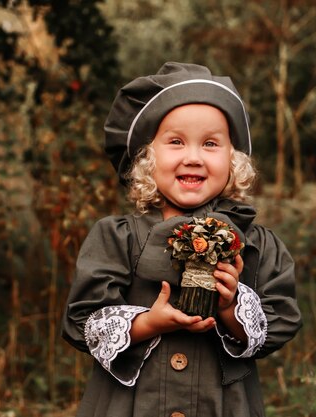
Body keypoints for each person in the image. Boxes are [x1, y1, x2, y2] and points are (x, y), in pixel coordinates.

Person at [61, 62, 302, 417]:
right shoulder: (117, 237)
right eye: (175, 142)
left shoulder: (256, 243)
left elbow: (279, 320)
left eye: (210, 143)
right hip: (128, 406)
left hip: (223, 405)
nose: (193, 157)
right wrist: (149, 323)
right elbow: (84, 322)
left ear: (233, 159)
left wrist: (231, 306)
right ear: (146, 157)